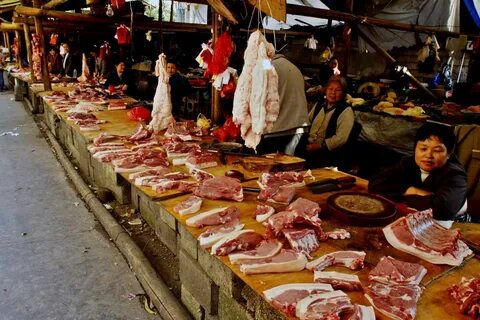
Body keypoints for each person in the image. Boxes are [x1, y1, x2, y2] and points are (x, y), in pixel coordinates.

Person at [368, 122, 468, 227]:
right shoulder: (408, 163)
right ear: (415, 148)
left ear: (449, 154)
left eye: (437, 151)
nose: (428, 155)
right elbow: (375, 184)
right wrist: (411, 190)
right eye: (423, 149)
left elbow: (443, 209)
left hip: (449, 225)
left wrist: (399, 194)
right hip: (417, 220)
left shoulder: (455, 175)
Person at [255, 53, 309, 156]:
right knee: (294, 170)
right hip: (299, 130)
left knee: (268, 170)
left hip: (275, 131)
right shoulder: (294, 68)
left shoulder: (267, 65)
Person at [301, 75, 354, 168]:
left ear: (343, 93)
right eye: (330, 89)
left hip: (328, 155)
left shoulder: (346, 110)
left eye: (338, 90)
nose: (333, 93)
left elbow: (341, 138)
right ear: (326, 90)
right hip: (309, 147)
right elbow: (307, 121)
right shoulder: (320, 104)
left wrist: (320, 146)